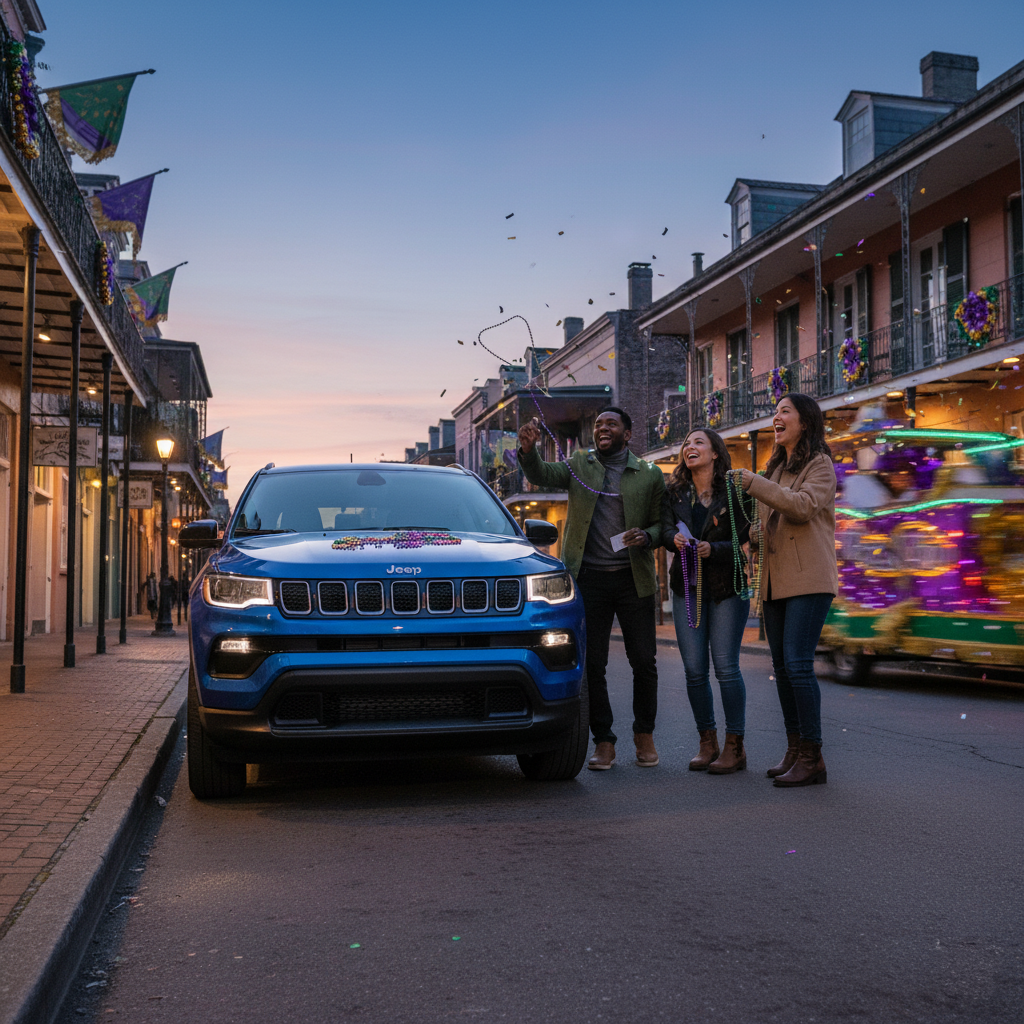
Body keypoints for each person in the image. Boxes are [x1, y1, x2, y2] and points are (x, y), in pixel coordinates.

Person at [518, 407, 666, 770]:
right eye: (598, 423)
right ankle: (604, 741)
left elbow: (664, 524)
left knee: (644, 661)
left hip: (634, 579)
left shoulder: (648, 474)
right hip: (590, 580)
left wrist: (647, 536)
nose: (602, 427)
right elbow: (541, 474)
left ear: (627, 434)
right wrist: (528, 450)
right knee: (593, 664)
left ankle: (644, 734)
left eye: (610, 423)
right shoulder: (579, 465)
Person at [736, 393, 837, 787]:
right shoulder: (775, 468)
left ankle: (813, 755)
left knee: (797, 664)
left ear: (805, 422)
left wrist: (755, 483)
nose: (775, 417)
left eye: (784, 412)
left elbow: (803, 507)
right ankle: (795, 749)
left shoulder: (821, 465)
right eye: (774, 412)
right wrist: (754, 533)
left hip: (809, 579)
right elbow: (771, 518)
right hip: (774, 581)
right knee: (781, 668)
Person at [662, 428, 752, 774]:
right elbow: (665, 529)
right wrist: (675, 540)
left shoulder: (736, 491)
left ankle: (735, 746)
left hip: (726, 587)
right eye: (686, 443)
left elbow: (746, 540)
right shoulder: (675, 493)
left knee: (726, 668)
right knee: (694, 670)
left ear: (716, 452)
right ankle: (707, 742)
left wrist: (712, 549)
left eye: (698, 442)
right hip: (687, 587)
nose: (690, 447)